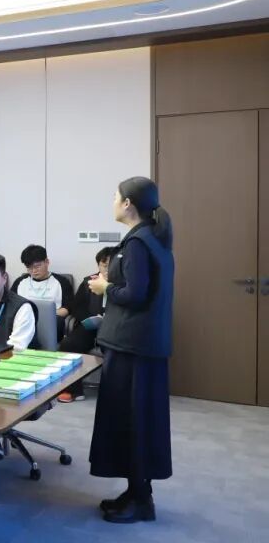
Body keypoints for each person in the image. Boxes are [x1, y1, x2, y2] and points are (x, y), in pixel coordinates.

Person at [88, 177, 174, 524]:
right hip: (142, 346)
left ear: (128, 204)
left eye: (115, 197)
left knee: (132, 421)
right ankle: (137, 492)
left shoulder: (137, 243)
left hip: (132, 347)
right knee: (137, 420)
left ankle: (140, 500)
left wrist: (104, 286)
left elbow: (135, 294)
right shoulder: (153, 238)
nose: (112, 202)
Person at [56, 246, 117, 403]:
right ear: (98, 266)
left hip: (114, 328)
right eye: (104, 265)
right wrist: (90, 319)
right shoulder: (88, 281)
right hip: (91, 326)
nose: (108, 270)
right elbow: (77, 307)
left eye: (111, 265)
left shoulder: (122, 284)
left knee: (116, 350)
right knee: (68, 344)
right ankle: (73, 390)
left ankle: (114, 392)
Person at [11, 245, 74, 339]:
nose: (34, 271)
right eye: (29, 268)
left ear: (47, 262)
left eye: (37, 266)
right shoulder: (20, 282)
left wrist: (45, 314)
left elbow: (67, 309)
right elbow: (10, 305)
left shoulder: (62, 282)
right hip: (23, 320)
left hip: (51, 320)